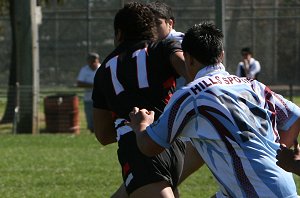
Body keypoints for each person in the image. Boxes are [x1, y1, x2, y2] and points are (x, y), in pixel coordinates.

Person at [128, 22, 300, 197]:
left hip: (254, 192)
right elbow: (295, 117)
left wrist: (141, 125)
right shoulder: (254, 86)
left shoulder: (191, 96)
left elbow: (150, 146)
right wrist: (277, 153)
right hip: (282, 187)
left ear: (188, 58)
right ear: (222, 55)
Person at [92, 2, 193, 197]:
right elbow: (194, 74)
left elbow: (103, 135)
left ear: (119, 34)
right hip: (174, 144)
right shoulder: (164, 47)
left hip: (139, 148)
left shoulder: (105, 70)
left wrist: (131, 124)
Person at [147, 1, 186, 89]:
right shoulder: (150, 46)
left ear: (170, 24)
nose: (152, 28)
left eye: (157, 23)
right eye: (149, 24)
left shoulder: (182, 43)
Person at [76, 52, 100, 133]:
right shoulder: (84, 70)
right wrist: (94, 85)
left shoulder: (102, 68)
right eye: (91, 61)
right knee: (90, 116)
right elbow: (79, 83)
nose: (93, 63)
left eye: (94, 61)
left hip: (101, 98)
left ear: (98, 60)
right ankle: (92, 131)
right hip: (88, 98)